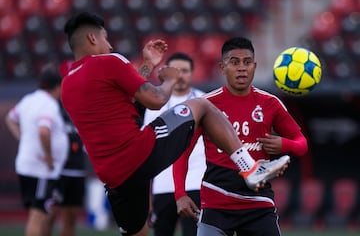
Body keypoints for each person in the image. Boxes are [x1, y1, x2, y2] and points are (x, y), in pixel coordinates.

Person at [60, 12, 290, 236]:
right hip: (138, 153)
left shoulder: (67, 84)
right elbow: (156, 100)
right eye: (105, 38)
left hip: (114, 178)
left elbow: (127, 102)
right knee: (201, 105)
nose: (109, 45)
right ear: (92, 38)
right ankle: (249, 168)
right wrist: (170, 78)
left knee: (137, 232)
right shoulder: (110, 61)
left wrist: (148, 65)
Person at [173, 37, 309, 236]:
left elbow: (302, 144)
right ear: (222, 67)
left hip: (258, 204)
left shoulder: (270, 103)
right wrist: (180, 194)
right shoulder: (206, 105)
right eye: (234, 62)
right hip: (216, 202)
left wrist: (283, 144)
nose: (242, 68)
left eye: (247, 62)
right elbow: (181, 151)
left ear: (254, 66)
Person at [143, 52, 206, 236]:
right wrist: (147, 195)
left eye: (185, 71)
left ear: (193, 73)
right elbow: (148, 148)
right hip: (163, 182)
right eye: (176, 71)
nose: (180, 75)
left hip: (196, 181)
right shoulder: (155, 103)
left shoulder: (205, 101)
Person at [5, 69, 68, 236]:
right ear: (56, 87)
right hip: (40, 168)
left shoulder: (28, 100)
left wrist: (22, 138)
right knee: (37, 215)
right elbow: (44, 131)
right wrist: (48, 157)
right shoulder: (48, 104)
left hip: (27, 165)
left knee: (37, 213)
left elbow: (10, 118)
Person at [43, 61, 87, 236]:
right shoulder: (51, 107)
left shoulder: (83, 105)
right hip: (56, 171)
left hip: (77, 170)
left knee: (71, 218)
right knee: (48, 216)